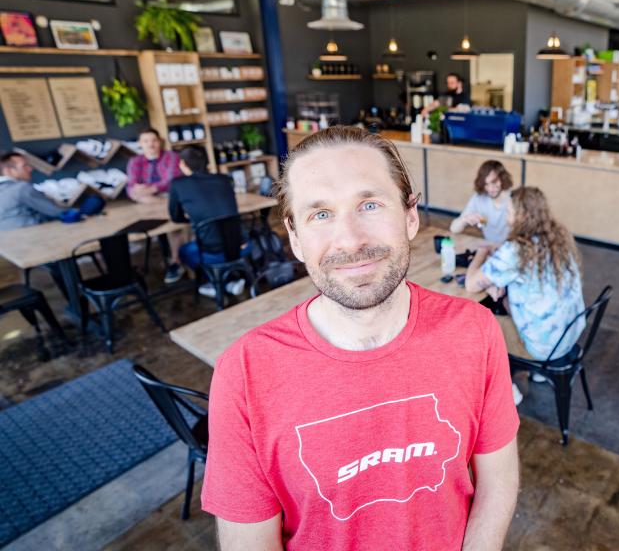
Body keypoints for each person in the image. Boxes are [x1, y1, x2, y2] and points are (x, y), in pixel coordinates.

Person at [202, 126, 520, 550]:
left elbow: (497, 481)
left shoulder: (476, 330)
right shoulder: (242, 373)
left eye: (369, 204)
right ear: (294, 238)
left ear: (410, 216)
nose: (350, 240)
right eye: (320, 214)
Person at [465, 186, 585, 395]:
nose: (506, 215)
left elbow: (471, 284)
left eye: (509, 211)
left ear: (523, 216)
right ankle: (537, 373)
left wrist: (482, 252)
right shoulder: (558, 238)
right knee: (501, 299)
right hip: (569, 334)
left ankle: (506, 391)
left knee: (477, 330)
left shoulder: (516, 251)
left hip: (544, 347)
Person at [167, 146, 246, 298]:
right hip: (240, 245)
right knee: (217, 241)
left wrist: (193, 219)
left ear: (183, 164)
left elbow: (175, 217)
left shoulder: (178, 184)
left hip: (211, 252)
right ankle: (230, 280)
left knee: (184, 251)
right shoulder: (224, 179)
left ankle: (215, 282)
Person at [126, 128, 184, 284]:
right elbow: (131, 186)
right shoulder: (135, 161)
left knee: (174, 223)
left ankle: (175, 262)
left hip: (167, 195)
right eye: (146, 141)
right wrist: (141, 192)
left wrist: (151, 189)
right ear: (140, 144)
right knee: (137, 198)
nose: (150, 144)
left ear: (159, 142)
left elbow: (171, 180)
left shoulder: (171, 157)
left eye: (153, 140)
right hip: (147, 200)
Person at [450, 160, 513, 246]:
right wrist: (464, 219)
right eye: (486, 184)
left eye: (494, 183)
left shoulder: (513, 198)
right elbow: (454, 229)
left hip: (510, 248)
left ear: (503, 179)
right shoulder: (478, 198)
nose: (490, 189)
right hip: (490, 246)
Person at [0, 152, 66, 230]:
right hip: (31, 236)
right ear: (8, 170)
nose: (30, 169)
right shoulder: (21, 188)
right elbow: (56, 212)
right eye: (24, 166)